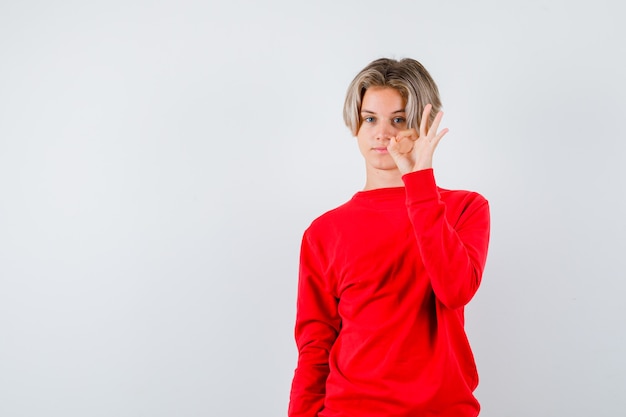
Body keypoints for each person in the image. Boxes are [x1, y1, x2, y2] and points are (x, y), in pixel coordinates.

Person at [288, 57, 491, 417]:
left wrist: (420, 182)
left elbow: (455, 289)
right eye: (370, 119)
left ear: (423, 125)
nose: (382, 133)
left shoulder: (464, 209)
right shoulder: (323, 232)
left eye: (398, 119)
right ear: (356, 125)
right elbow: (314, 346)